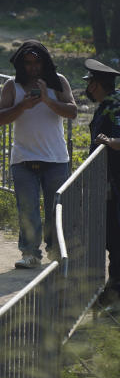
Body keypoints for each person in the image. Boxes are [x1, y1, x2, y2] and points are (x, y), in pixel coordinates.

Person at [0, 41, 77, 269]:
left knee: (56, 210)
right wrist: (22, 106)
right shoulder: (12, 86)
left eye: (37, 62)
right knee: (27, 209)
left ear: (45, 62)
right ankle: (30, 253)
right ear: (21, 64)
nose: (32, 68)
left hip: (56, 160)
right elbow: (0, 119)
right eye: (28, 63)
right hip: (23, 159)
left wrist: (47, 100)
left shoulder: (58, 81)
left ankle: (55, 252)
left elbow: (72, 111)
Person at [84, 59, 120, 305]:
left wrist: (110, 143)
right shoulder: (106, 105)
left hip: (115, 184)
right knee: (110, 237)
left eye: (90, 83)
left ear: (97, 84)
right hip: (107, 185)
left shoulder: (115, 106)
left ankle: (114, 291)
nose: (87, 88)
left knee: (115, 237)